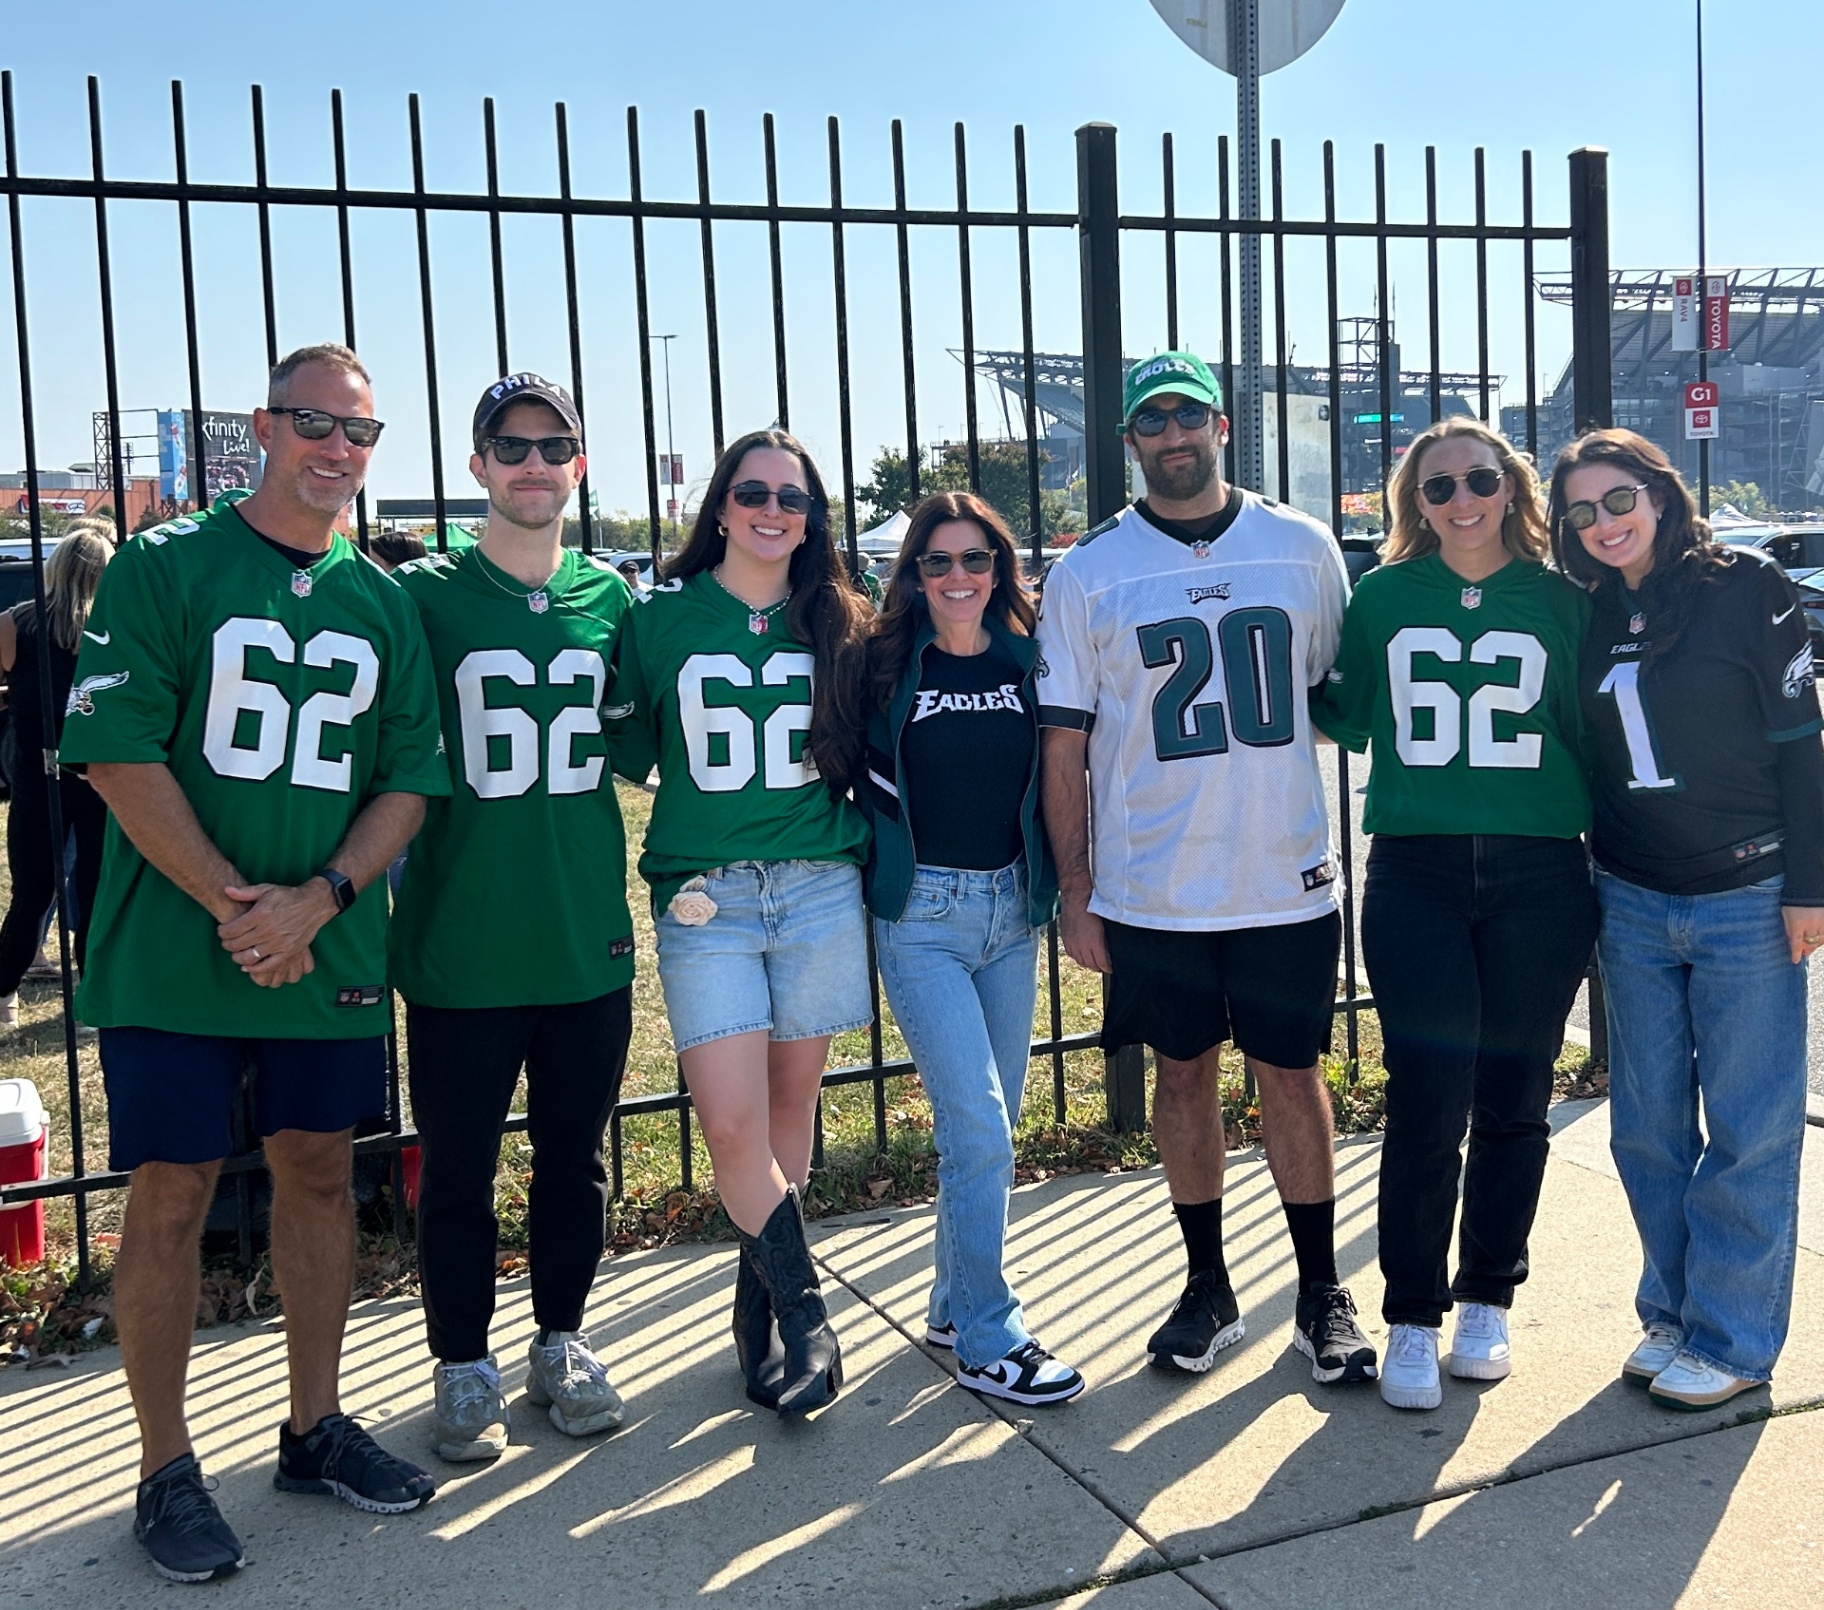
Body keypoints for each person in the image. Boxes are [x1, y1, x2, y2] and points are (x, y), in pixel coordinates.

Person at [62, 343, 449, 1583]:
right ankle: (164, 1465)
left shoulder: (381, 600)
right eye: (314, 423)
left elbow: (409, 780)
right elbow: (116, 751)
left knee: (323, 1174)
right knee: (172, 1188)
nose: (338, 449)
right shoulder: (167, 565)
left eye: (360, 432)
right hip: (178, 943)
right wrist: (242, 908)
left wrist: (317, 901)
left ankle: (312, 1425)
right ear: (264, 426)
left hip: (322, 940)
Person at [1037, 350, 1376, 1385]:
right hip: (1154, 886)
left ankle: (1320, 1289)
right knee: (1180, 1074)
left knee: (1292, 1074)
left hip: (1281, 874)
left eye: (1189, 415)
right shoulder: (1089, 569)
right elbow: (1063, 745)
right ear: (1129, 440)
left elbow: (1337, 697)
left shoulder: (1303, 545)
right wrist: (1076, 889)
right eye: (1153, 421)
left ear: (1222, 425)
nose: (1173, 435)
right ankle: (1207, 1284)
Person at [1314, 418, 1597, 1412]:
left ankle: (1486, 1297)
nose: (1462, 499)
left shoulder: (1564, 599)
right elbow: (1346, 711)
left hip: (1540, 869)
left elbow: (1591, 731)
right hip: (1418, 869)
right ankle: (1411, 1311)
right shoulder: (1384, 595)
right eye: (1438, 487)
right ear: (1416, 504)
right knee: (1428, 1093)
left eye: (1479, 479)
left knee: (1517, 1093)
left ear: (1510, 485)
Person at [390, 373, 641, 1461]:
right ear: (478, 464)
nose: (533, 463)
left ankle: (561, 1341)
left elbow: (647, 740)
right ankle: (461, 1363)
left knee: (574, 1158)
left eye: (552, 446)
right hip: (463, 934)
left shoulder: (611, 599)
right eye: (511, 445)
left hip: (583, 931)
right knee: (457, 1166)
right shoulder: (424, 594)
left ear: (578, 464)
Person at [1549, 428, 1822, 1411]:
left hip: (1746, 893)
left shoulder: (1746, 586)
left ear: (1660, 495)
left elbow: (1802, 746)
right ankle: (1673, 1311)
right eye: (1582, 511)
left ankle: (1735, 1338)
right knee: (1648, 1128)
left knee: (1750, 1128)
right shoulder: (1587, 610)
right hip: (1632, 895)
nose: (1605, 522)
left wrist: (1810, 887)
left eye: (1619, 499)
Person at [611, 427, 872, 1417]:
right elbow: (633, 742)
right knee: (729, 1122)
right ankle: (808, 1315)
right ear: (720, 505)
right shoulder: (659, 617)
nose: (772, 510)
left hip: (816, 885)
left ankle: (755, 1312)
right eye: (753, 492)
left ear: (811, 519)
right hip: (707, 896)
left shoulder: (841, 616)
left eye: (792, 498)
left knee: (788, 1110)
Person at [859, 490, 1084, 1406]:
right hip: (923, 918)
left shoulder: (1030, 660)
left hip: (1010, 914)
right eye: (939, 561)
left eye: (976, 559)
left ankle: (952, 1307)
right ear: (915, 575)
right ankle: (992, 1338)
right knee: (979, 1127)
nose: (959, 576)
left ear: (1000, 568)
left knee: (990, 1129)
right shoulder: (882, 667)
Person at [0, 525, 113, 1029]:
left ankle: (4, 995)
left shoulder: (14, 623)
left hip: (38, 775)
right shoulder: (115, 627)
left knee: (31, 895)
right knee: (96, 893)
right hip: (103, 777)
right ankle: (90, 999)